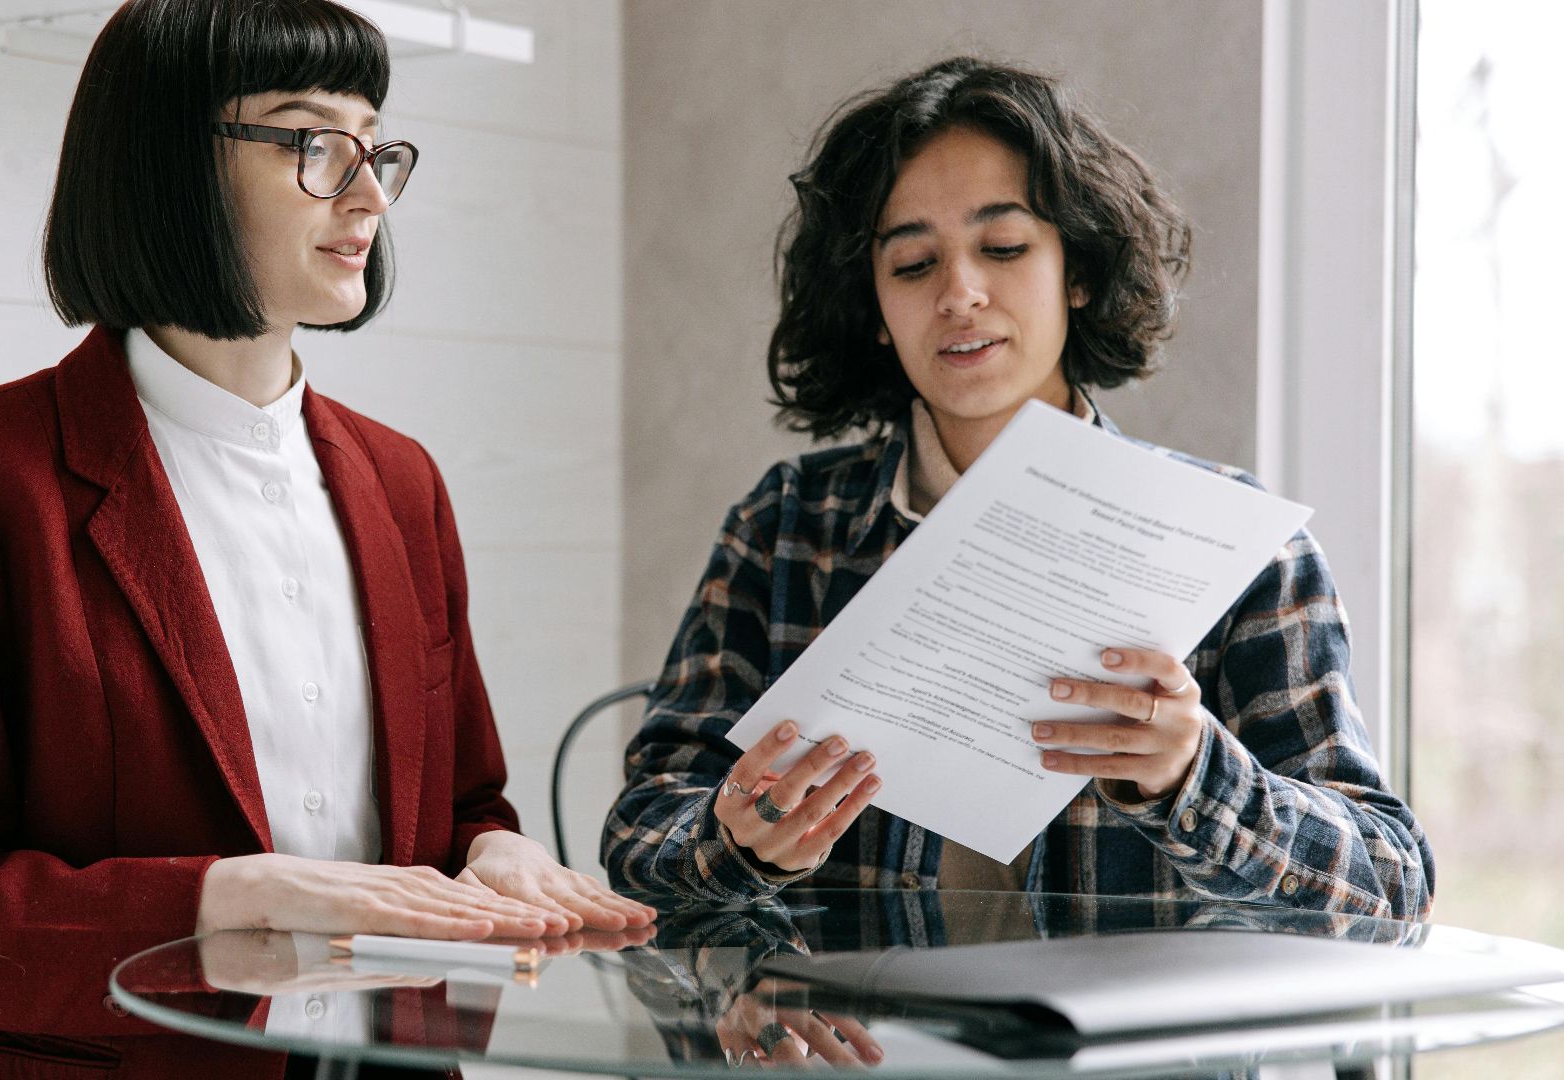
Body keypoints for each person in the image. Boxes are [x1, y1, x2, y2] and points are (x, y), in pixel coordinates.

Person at [0, 2, 649, 1076]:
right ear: (169, 163)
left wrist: (496, 853)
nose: (366, 196)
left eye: (376, 148)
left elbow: (457, 806)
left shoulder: (403, 482)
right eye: (313, 144)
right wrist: (227, 903)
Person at [604, 57, 1433, 920]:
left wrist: (1193, 776)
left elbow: (1389, 882)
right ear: (874, 310)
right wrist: (735, 843)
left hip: (1127, 1052)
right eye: (914, 265)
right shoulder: (785, 528)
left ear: (1077, 272)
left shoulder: (1235, 546)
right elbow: (637, 837)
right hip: (860, 1047)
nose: (961, 293)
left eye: (1003, 248)